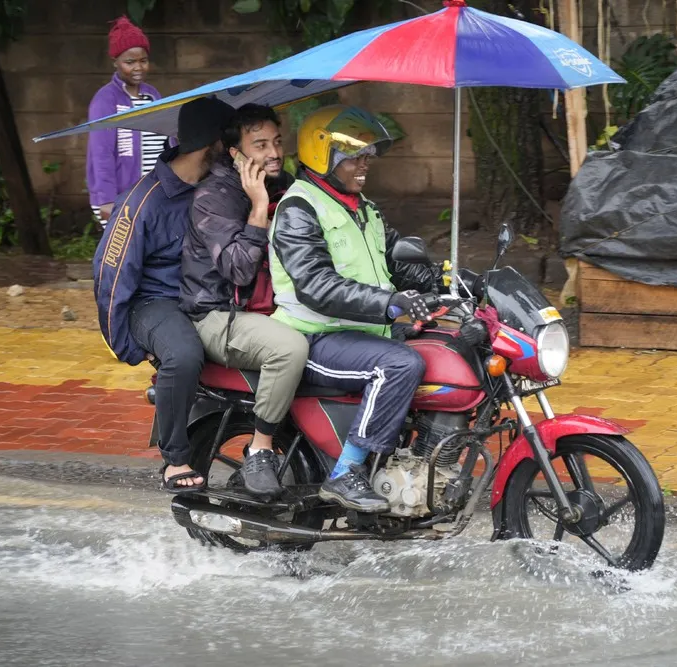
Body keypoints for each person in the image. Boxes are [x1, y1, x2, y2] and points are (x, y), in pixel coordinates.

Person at [269, 105, 444, 513]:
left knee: (446, 343)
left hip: (360, 332)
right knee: (399, 365)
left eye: (368, 155)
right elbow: (316, 285)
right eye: (355, 155)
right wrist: (389, 304)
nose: (366, 163)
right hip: (313, 337)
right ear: (321, 154)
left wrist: (448, 281)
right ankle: (345, 473)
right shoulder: (299, 209)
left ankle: (411, 460)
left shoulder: (362, 207)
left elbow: (396, 262)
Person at [93, 96, 237, 493]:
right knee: (184, 353)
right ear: (215, 145)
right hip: (154, 303)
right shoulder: (142, 201)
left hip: (205, 297)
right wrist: (128, 346)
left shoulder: (219, 186)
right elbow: (111, 277)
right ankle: (176, 458)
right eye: (233, 141)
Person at [180, 104, 308, 497]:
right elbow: (238, 271)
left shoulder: (285, 184)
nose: (273, 152)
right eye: (260, 145)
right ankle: (260, 447)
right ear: (235, 153)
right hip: (219, 315)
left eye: (277, 142)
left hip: (270, 307)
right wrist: (257, 207)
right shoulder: (213, 198)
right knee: (289, 349)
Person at [86, 16, 168, 229]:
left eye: (143, 60)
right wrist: (106, 199)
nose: (138, 67)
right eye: (129, 62)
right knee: (122, 256)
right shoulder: (105, 100)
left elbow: (166, 139)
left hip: (152, 193)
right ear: (115, 63)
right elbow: (101, 154)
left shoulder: (152, 95)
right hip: (119, 197)